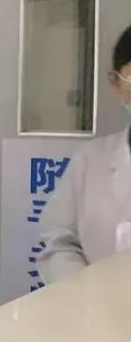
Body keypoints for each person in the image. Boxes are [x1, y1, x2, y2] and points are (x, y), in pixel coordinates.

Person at [40, 25, 131, 282]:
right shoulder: (90, 160)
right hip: (95, 303)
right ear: (116, 83)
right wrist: (88, 293)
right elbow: (60, 244)